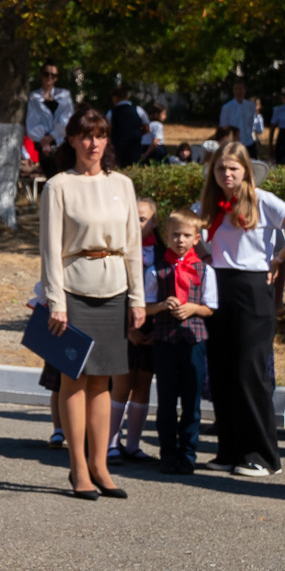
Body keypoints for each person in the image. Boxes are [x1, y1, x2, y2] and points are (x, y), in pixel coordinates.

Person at [38, 108, 147, 498]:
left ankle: (101, 465)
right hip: (74, 291)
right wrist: (56, 301)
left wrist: (138, 298)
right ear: (71, 140)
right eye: (85, 135)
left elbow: (133, 245)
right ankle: (78, 469)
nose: (93, 143)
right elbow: (50, 249)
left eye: (100, 135)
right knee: (75, 379)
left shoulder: (123, 183)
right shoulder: (58, 186)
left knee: (104, 380)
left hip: (115, 289)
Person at [198, 140, 285, 475]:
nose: (226, 174)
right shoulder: (208, 203)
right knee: (221, 370)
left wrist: (278, 259)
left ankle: (264, 455)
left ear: (246, 171)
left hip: (253, 288)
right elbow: (184, 232)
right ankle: (229, 451)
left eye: (233, 168)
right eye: (220, 168)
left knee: (250, 371)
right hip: (218, 287)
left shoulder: (263, 201)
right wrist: (203, 256)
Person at [144, 211, 216, 474]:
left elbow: (211, 308)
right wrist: (162, 305)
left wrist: (192, 309)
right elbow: (145, 307)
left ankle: (188, 454)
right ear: (166, 236)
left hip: (194, 341)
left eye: (186, 235)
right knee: (166, 401)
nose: (180, 240)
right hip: (164, 340)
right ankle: (167, 453)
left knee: (191, 400)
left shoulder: (205, 270)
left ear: (196, 238)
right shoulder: (156, 270)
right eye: (175, 234)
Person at [114, 196, 160, 462]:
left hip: (152, 326)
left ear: (154, 222)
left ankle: (133, 444)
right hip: (122, 324)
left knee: (143, 383)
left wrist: (156, 329)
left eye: (142, 219)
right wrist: (127, 327)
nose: (136, 225)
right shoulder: (118, 250)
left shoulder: (163, 250)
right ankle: (110, 442)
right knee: (121, 383)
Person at [24, 64, 74, 165]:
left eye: (53, 75)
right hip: (43, 147)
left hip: (62, 144)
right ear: (40, 76)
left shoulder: (64, 95)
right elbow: (31, 122)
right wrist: (44, 141)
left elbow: (67, 120)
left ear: (57, 78)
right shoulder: (34, 97)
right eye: (46, 74)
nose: (49, 77)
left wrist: (52, 136)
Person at [219, 79, 263, 151]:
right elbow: (223, 126)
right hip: (233, 144)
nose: (238, 92)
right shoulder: (227, 107)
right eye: (236, 89)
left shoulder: (251, 106)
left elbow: (252, 124)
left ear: (244, 90)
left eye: (240, 89)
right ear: (233, 91)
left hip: (249, 142)